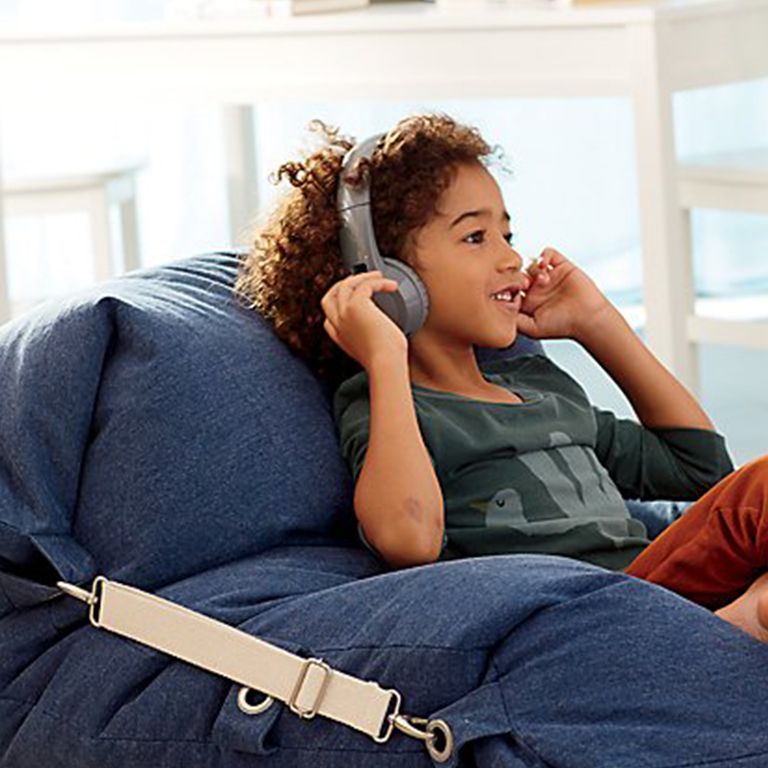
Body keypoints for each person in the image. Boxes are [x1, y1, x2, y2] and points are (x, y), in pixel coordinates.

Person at [235, 112, 768, 645]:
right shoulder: (394, 405)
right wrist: (385, 357)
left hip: (649, 596)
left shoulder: (539, 385)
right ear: (386, 274)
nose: (512, 257)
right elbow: (409, 538)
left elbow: (700, 470)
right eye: (475, 237)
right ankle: (730, 633)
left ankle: (728, 632)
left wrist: (599, 325)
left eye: (508, 234)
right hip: (574, 623)